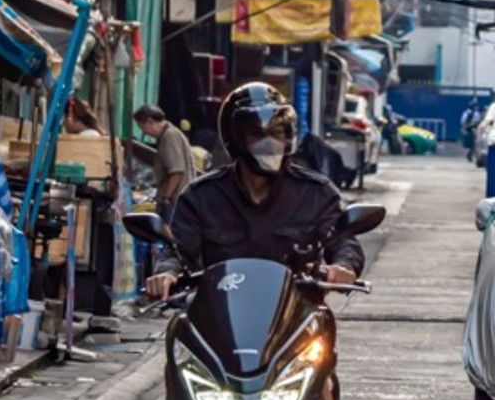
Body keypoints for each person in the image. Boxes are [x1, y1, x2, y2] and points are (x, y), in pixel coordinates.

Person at [144, 82, 363, 301]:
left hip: (296, 311)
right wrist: (167, 273)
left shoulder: (316, 193)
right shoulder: (201, 196)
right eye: (257, 134)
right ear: (235, 138)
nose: (270, 143)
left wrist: (343, 266)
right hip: (223, 310)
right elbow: (178, 250)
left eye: (278, 133)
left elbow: (343, 240)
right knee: (181, 321)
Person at [134, 103, 197, 223]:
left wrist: (166, 198)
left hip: (174, 201)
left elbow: (177, 171)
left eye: (142, 127)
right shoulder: (168, 135)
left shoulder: (170, 136)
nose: (144, 132)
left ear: (150, 121)